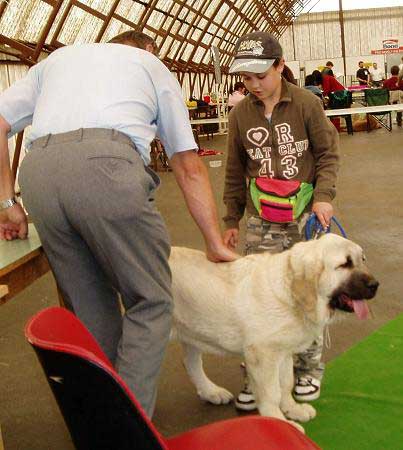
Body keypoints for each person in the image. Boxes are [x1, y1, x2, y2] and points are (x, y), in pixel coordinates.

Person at [0, 30, 237, 418]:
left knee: (92, 308)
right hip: (106, 170)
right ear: (147, 49)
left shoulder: (57, 61)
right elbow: (188, 164)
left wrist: (8, 203)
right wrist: (213, 241)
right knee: (152, 299)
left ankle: (100, 420)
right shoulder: (151, 65)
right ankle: (125, 428)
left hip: (39, 174)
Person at [223, 31, 339, 411]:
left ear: (279, 65)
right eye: (246, 78)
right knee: (260, 300)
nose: (253, 85)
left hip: (306, 217)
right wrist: (231, 219)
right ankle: (258, 377)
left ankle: (308, 370)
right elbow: (234, 170)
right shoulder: (240, 114)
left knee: (309, 293)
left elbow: (326, 155)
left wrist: (323, 198)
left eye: (261, 75)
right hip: (261, 220)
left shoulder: (307, 103)